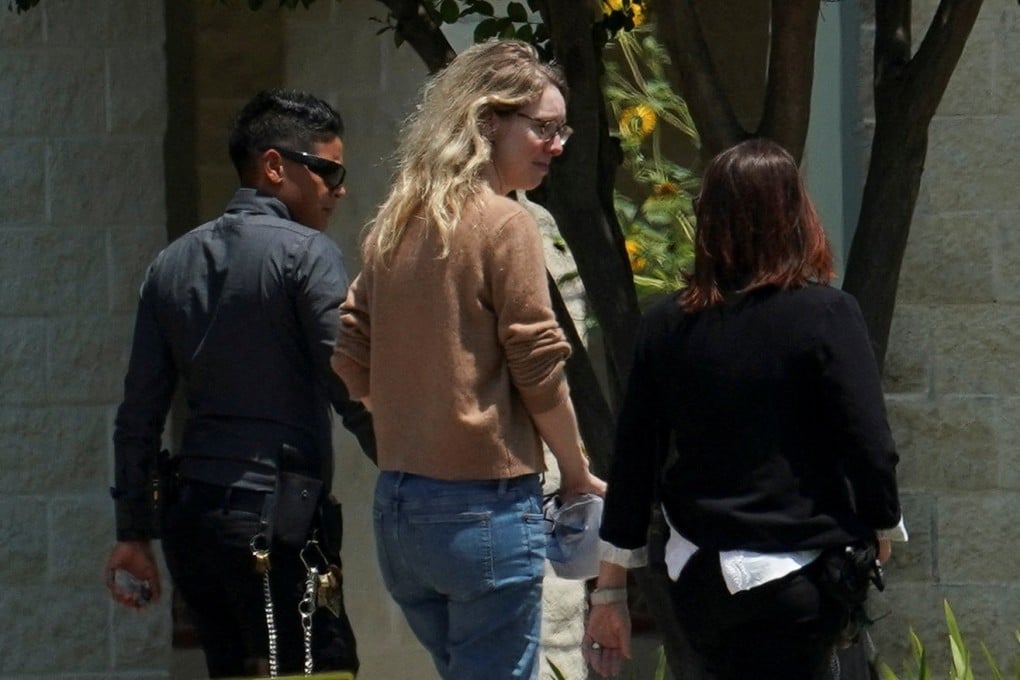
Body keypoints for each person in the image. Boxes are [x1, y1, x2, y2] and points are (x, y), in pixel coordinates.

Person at [331, 39, 606, 680]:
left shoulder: (396, 220)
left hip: (400, 511)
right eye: (543, 128)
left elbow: (348, 352)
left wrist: (413, 416)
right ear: (488, 122)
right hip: (484, 509)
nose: (556, 145)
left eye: (561, 130)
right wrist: (575, 472)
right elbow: (537, 370)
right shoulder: (506, 223)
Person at [583, 138, 907, 680]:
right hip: (798, 572)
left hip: (701, 581)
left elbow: (634, 461)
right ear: (795, 216)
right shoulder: (826, 314)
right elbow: (870, 443)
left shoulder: (666, 324)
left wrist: (610, 592)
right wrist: (882, 526)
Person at [104, 89, 375, 679]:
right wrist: (419, 472)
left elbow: (139, 414)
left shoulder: (170, 264)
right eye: (329, 171)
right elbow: (352, 384)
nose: (339, 189)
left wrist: (133, 533)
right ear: (275, 167)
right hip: (278, 526)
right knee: (320, 671)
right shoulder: (308, 254)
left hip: (195, 527)